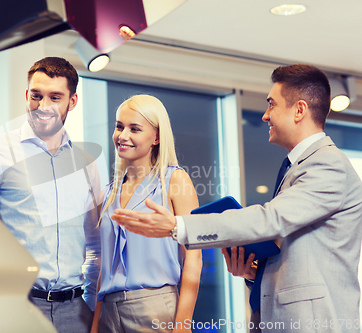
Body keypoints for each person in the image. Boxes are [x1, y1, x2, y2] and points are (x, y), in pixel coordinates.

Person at [110, 64, 362, 332]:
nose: (265, 116)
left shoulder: (328, 165)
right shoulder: (296, 167)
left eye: (271, 105)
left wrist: (178, 226)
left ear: (299, 110)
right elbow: (299, 257)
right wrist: (255, 274)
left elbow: (271, 219)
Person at [0, 57, 101, 332]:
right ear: (27, 95)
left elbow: (95, 244)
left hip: (76, 312)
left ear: (72, 101)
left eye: (55, 97)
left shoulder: (86, 163)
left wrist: (92, 306)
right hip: (17, 308)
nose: (43, 107)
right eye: (36, 96)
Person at [90, 95, 202, 333]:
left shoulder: (175, 180)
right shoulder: (107, 194)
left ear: (157, 137)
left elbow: (193, 257)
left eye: (134, 129)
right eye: (119, 126)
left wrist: (183, 324)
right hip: (109, 310)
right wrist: (95, 324)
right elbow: (104, 268)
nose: (122, 135)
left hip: (155, 307)